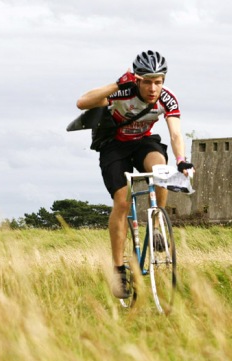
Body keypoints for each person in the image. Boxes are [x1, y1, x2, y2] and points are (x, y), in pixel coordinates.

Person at [76, 50, 193, 298]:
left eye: (158, 81)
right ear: (137, 79)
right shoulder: (123, 91)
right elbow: (82, 102)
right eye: (148, 81)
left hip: (142, 142)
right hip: (114, 146)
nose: (153, 88)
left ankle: (156, 225)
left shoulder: (167, 100)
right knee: (121, 201)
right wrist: (117, 84)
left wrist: (182, 161)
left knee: (160, 168)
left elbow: (174, 134)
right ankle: (118, 271)